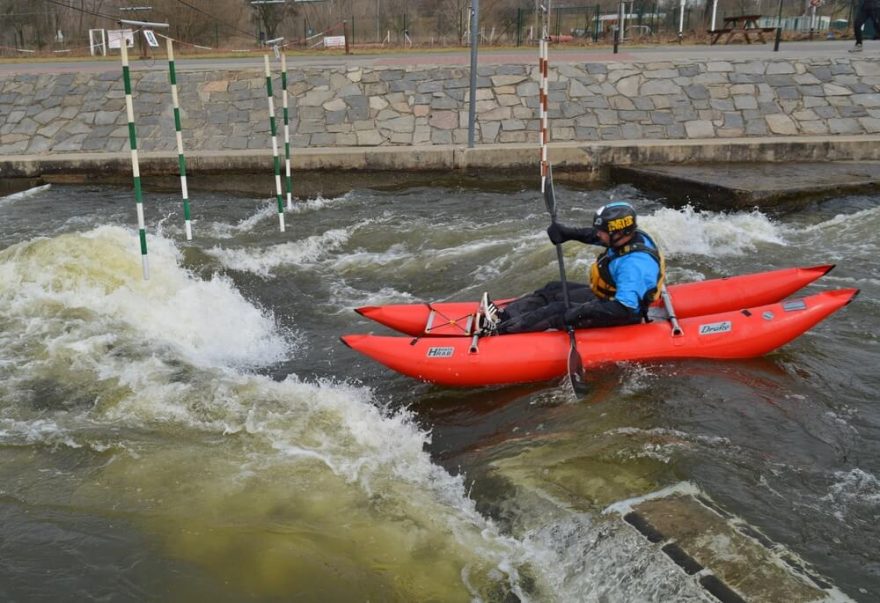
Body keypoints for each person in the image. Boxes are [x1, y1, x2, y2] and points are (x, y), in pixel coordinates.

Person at [479, 201, 665, 335]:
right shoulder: (626, 238)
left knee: (558, 309)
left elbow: (624, 308)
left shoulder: (635, 265)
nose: (598, 234)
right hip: (609, 298)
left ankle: (500, 331)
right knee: (553, 288)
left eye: (602, 232)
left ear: (619, 233)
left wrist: (580, 311)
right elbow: (593, 235)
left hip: (621, 313)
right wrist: (567, 233)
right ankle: (504, 316)